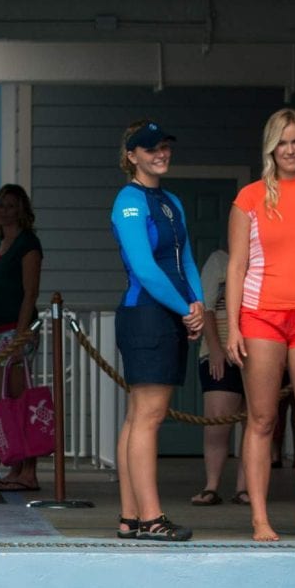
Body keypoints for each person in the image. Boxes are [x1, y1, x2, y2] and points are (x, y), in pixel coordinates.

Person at [225, 108, 295, 542]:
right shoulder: (251, 197)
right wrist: (233, 327)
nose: (289, 150)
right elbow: (236, 266)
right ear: (270, 148)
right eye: (281, 142)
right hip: (261, 316)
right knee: (262, 419)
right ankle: (260, 518)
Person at [107, 119, 201, 542]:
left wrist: (197, 306)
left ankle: (130, 517)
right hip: (146, 313)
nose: (159, 154)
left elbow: (188, 261)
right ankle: (150, 517)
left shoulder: (172, 201)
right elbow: (144, 268)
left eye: (164, 146)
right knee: (149, 417)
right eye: (149, 149)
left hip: (173, 313)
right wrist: (185, 308)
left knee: (138, 417)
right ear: (131, 156)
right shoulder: (129, 200)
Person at [0, 184, 43, 492]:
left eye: (12, 206)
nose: (6, 211)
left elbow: (30, 292)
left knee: (20, 402)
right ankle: (14, 467)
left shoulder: (28, 244)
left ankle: (28, 471)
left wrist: (19, 335)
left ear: (22, 210)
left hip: (15, 332)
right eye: (1, 205)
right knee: (3, 404)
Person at [190, 244, 241, 506]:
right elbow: (206, 306)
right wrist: (217, 350)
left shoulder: (266, 258)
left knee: (258, 424)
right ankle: (211, 486)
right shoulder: (219, 260)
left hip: (258, 352)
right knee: (217, 425)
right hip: (219, 350)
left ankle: (246, 489)